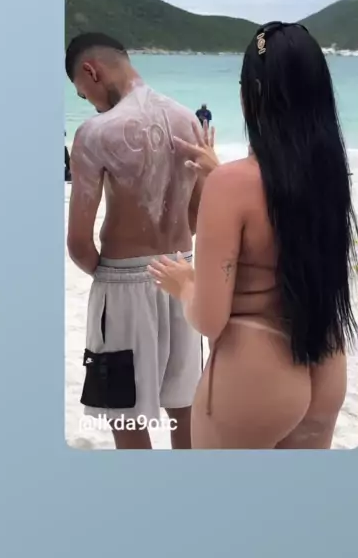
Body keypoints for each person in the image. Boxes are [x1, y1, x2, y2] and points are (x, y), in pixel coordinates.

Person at [148, 21, 358, 449]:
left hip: (254, 371)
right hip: (325, 356)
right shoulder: (330, 178)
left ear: (254, 94)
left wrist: (184, 284)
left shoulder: (231, 185)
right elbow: (279, 209)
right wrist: (220, 173)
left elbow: (209, 318)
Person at [65, 32, 205, 450]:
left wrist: (111, 275)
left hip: (123, 284)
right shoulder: (188, 120)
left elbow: (78, 242)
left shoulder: (95, 133)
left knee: (126, 414)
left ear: (91, 71)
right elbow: (198, 214)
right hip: (181, 276)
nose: (89, 102)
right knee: (185, 408)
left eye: (82, 92)